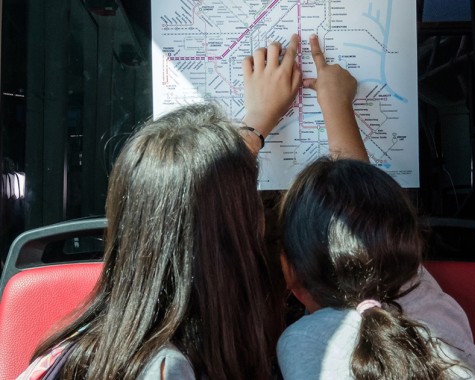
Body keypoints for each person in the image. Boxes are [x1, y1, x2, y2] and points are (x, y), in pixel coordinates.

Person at [18, 34, 304, 380]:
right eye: (250, 203)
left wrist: (256, 124)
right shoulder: (168, 369)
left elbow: (181, 199)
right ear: (226, 242)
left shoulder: (75, 346)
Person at [275, 36, 475, 380]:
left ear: (291, 275)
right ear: (405, 246)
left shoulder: (305, 343)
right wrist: (337, 105)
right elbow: (366, 217)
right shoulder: (432, 306)